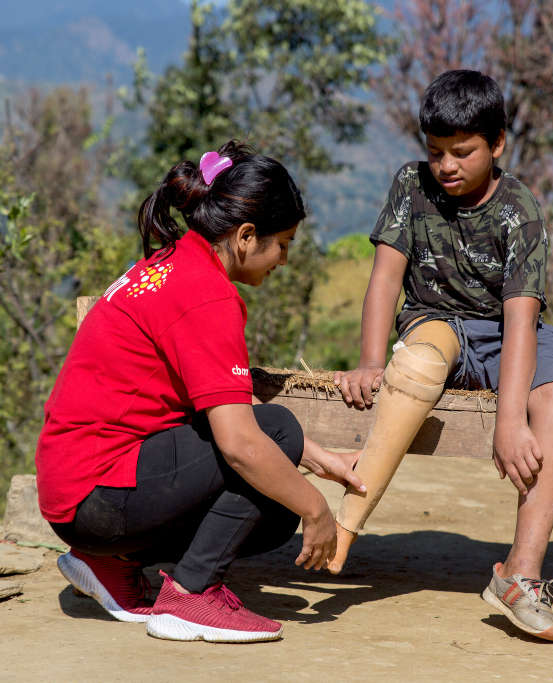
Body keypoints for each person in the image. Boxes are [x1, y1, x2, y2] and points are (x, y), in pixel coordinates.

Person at [35, 141, 364, 644]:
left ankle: (110, 563)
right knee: (276, 436)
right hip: (98, 492)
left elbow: (219, 400)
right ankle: (191, 595)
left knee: (276, 487)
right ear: (246, 236)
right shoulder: (208, 296)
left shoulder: (173, 263)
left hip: (74, 490)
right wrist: (315, 509)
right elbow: (240, 441)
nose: (285, 259)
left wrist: (319, 461)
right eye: (284, 243)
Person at [331, 70, 553, 643]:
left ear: (497, 143)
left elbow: (522, 318)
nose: (446, 165)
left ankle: (519, 575)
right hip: (432, 321)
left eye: (462, 152)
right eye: (435, 152)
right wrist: (369, 360)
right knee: (422, 360)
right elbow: (384, 279)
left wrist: (510, 421)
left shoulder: (520, 210)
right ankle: (343, 528)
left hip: (505, 330)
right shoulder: (411, 185)